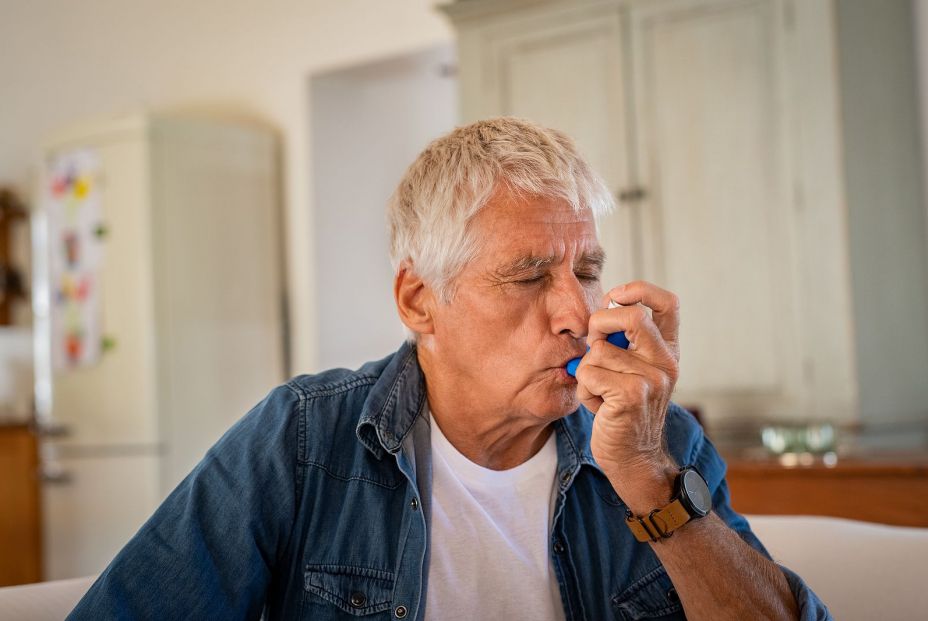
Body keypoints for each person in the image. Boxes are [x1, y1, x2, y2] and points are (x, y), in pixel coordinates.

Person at [68, 117, 831, 620]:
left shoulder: (657, 443)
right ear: (419, 300)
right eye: (530, 275)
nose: (575, 310)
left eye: (588, 270)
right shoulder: (300, 440)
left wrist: (652, 484)